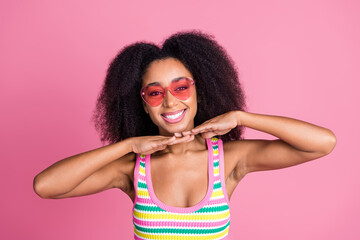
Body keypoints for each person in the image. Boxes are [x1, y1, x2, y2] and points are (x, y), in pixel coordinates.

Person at [33, 30, 337, 240]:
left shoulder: (228, 160)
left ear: (199, 91)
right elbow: (45, 186)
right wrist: (127, 145)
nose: (170, 101)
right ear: (142, 104)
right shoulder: (132, 168)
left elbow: (323, 143)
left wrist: (241, 117)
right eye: (155, 93)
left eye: (181, 88)